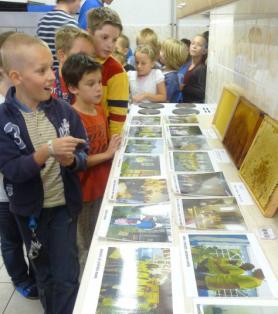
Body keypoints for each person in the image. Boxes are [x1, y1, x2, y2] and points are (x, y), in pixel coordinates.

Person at [0, 33, 88, 314]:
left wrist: (72, 161)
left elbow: (83, 153)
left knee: (65, 274)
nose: (52, 76)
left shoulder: (63, 111)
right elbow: (12, 170)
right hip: (29, 214)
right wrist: (45, 152)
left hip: (63, 208)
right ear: (16, 77)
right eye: (41, 71)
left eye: (51, 67)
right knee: (44, 271)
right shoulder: (4, 120)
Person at [62, 53, 121, 268]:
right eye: (91, 84)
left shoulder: (98, 109)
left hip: (102, 186)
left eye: (99, 82)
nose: (98, 88)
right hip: (84, 193)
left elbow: (104, 145)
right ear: (73, 88)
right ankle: (84, 283)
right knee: (85, 242)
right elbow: (77, 160)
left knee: (100, 231)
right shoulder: (72, 118)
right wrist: (108, 154)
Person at [0, 31, 38, 300]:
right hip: (3, 194)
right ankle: (19, 278)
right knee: (11, 238)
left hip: (27, 185)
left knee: (32, 236)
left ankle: (37, 274)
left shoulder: (26, 98)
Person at [87, 7, 129, 135]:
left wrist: (113, 148)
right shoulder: (77, 61)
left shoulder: (116, 72)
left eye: (114, 39)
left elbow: (118, 116)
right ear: (89, 33)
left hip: (102, 142)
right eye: (104, 37)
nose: (110, 44)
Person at [53, 26, 94, 104]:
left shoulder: (91, 84)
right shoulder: (46, 84)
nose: (88, 62)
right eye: (82, 55)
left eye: (91, 57)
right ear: (62, 55)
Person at [37, 0, 81, 69]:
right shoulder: (70, 23)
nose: (79, 6)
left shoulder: (43, 20)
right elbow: (74, 58)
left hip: (46, 72)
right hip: (63, 74)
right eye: (79, 1)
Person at [160, 38, 188, 102]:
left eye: (162, 50)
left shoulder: (171, 78)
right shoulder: (163, 69)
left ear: (169, 57)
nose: (160, 52)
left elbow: (165, 99)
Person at [182, 34, 208, 103]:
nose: (194, 47)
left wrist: (184, 87)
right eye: (192, 43)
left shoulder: (201, 68)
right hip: (186, 103)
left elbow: (202, 92)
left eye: (199, 45)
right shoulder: (189, 64)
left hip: (194, 106)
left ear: (204, 51)